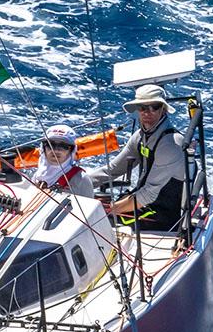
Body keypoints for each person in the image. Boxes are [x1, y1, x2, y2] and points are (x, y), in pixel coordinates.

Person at [90, 84, 186, 230]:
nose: (148, 112)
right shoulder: (140, 137)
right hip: (145, 205)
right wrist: (76, 184)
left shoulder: (171, 143)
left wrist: (109, 209)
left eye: (154, 106)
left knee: (97, 221)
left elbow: (148, 195)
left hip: (164, 214)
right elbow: (113, 170)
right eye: (142, 107)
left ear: (163, 109)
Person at [34, 123, 94, 197]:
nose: (56, 150)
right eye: (50, 144)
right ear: (43, 149)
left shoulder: (81, 179)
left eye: (63, 146)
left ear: (71, 151)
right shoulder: (38, 175)